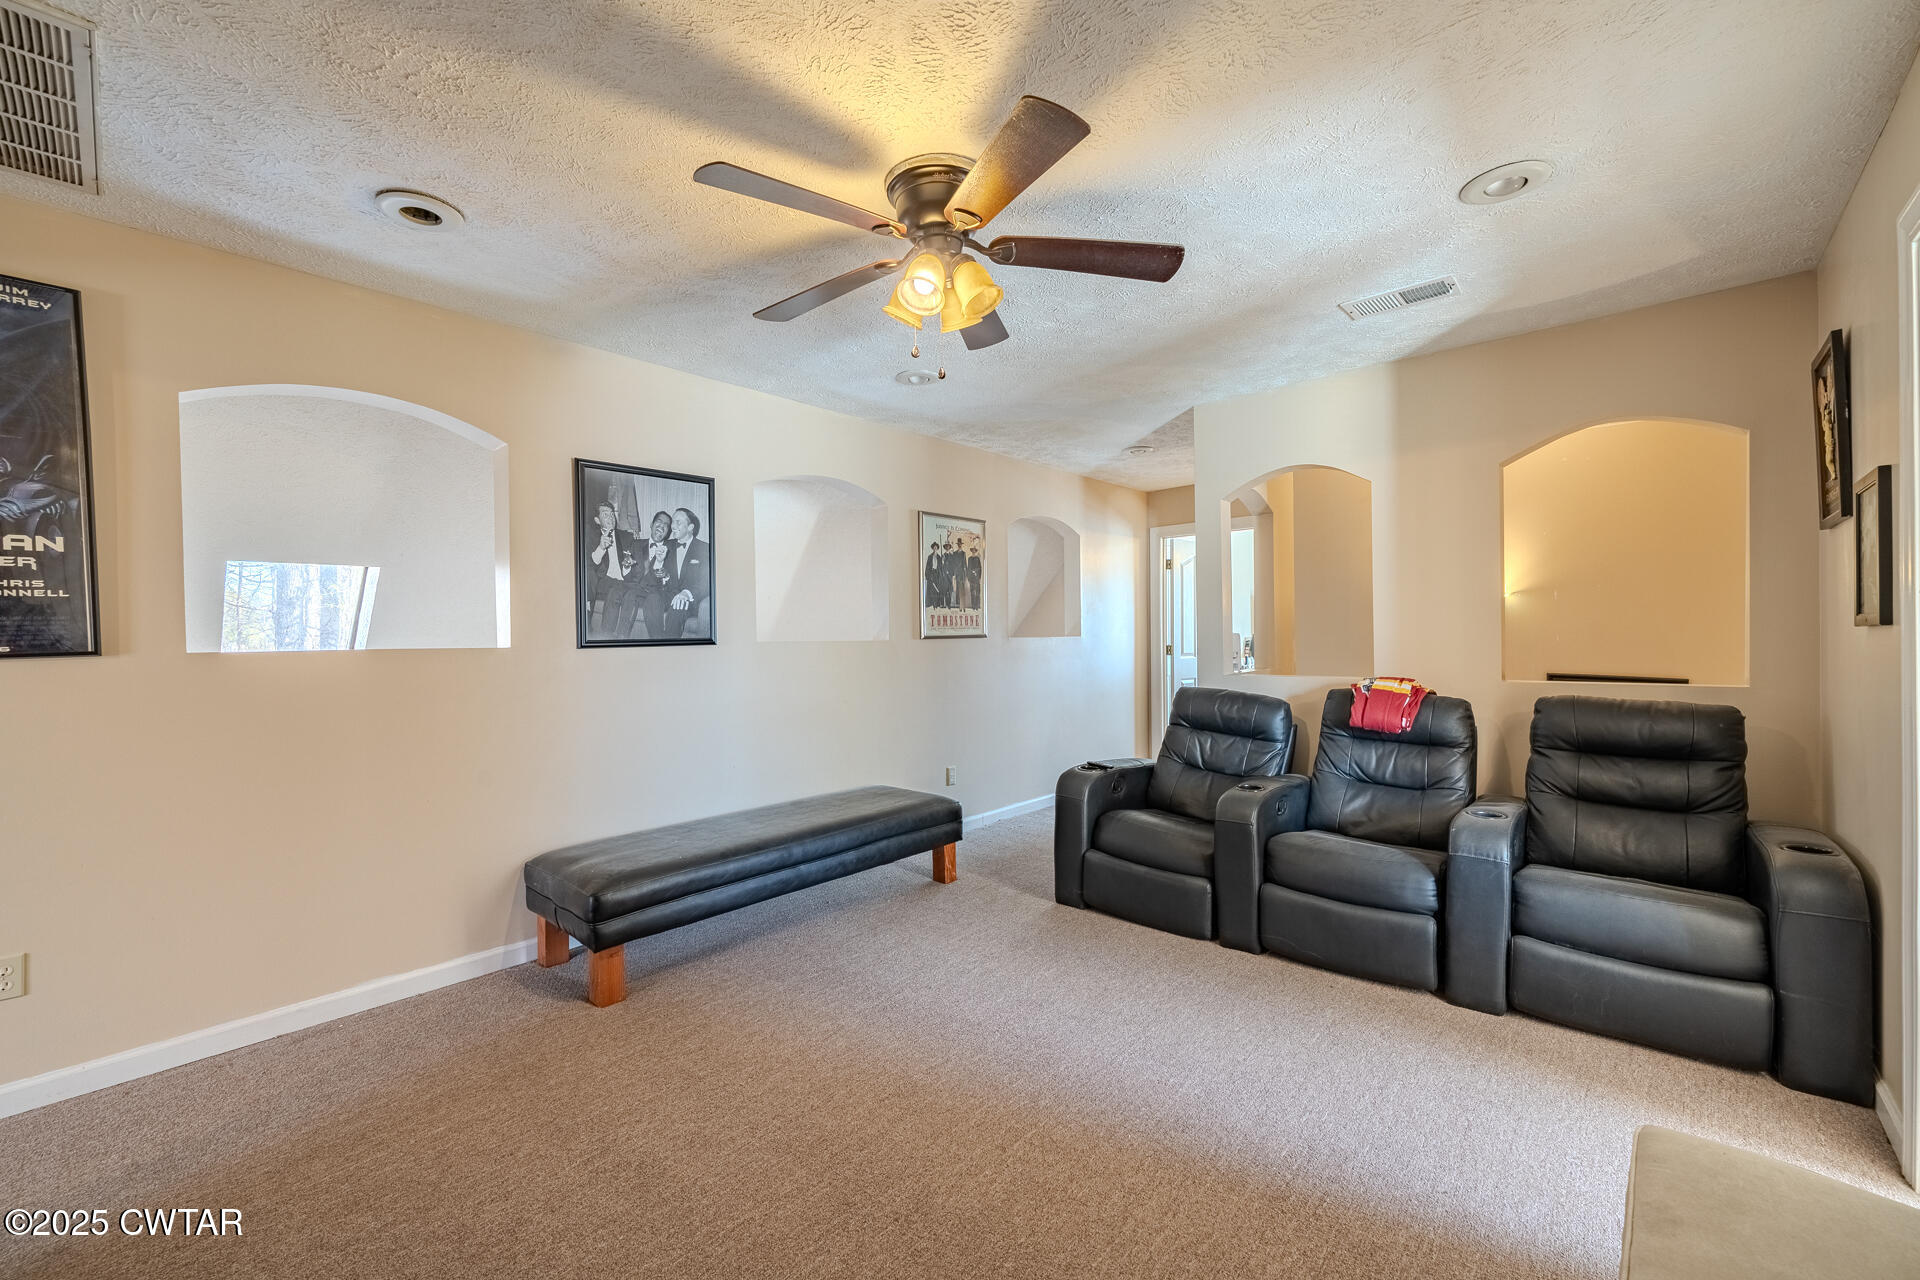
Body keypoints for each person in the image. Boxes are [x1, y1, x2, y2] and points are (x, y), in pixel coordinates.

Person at [585, 501, 639, 636]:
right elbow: (588, 565)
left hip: (623, 581)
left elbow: (635, 570)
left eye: (611, 514)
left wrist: (627, 566)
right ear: (597, 520)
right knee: (616, 588)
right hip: (603, 581)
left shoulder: (627, 537)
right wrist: (601, 548)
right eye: (605, 514)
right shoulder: (590, 536)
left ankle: (617, 637)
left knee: (625, 591)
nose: (610, 518)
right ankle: (606, 635)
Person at [660, 506, 711, 638]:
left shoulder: (705, 549)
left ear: (690, 527)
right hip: (668, 595)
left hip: (691, 601)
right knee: (651, 600)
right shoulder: (666, 545)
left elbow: (707, 582)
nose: (672, 526)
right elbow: (657, 576)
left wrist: (686, 594)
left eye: (678, 522)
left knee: (678, 607)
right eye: (673, 522)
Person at [924, 541, 943, 609]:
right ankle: (931, 603)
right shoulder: (930, 557)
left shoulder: (939, 557)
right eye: (934, 547)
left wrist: (941, 575)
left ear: (937, 548)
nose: (935, 548)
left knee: (937, 589)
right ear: (933, 548)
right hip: (931, 574)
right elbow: (927, 567)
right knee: (931, 589)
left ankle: (936, 604)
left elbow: (940, 567)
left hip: (937, 574)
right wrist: (927, 575)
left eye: (936, 547)